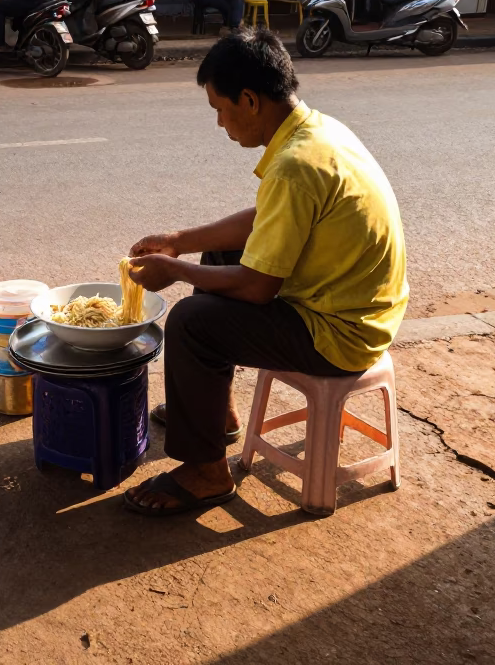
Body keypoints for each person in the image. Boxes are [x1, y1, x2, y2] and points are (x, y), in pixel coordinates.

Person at [122, 26, 409, 516]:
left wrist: (175, 271)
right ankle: (220, 415)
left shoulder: (296, 165)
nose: (219, 123)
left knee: (193, 322)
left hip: (341, 334)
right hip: (357, 305)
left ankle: (207, 474)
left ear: (250, 101)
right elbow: (265, 221)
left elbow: (256, 289)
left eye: (219, 108)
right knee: (217, 257)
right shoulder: (316, 131)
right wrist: (180, 243)